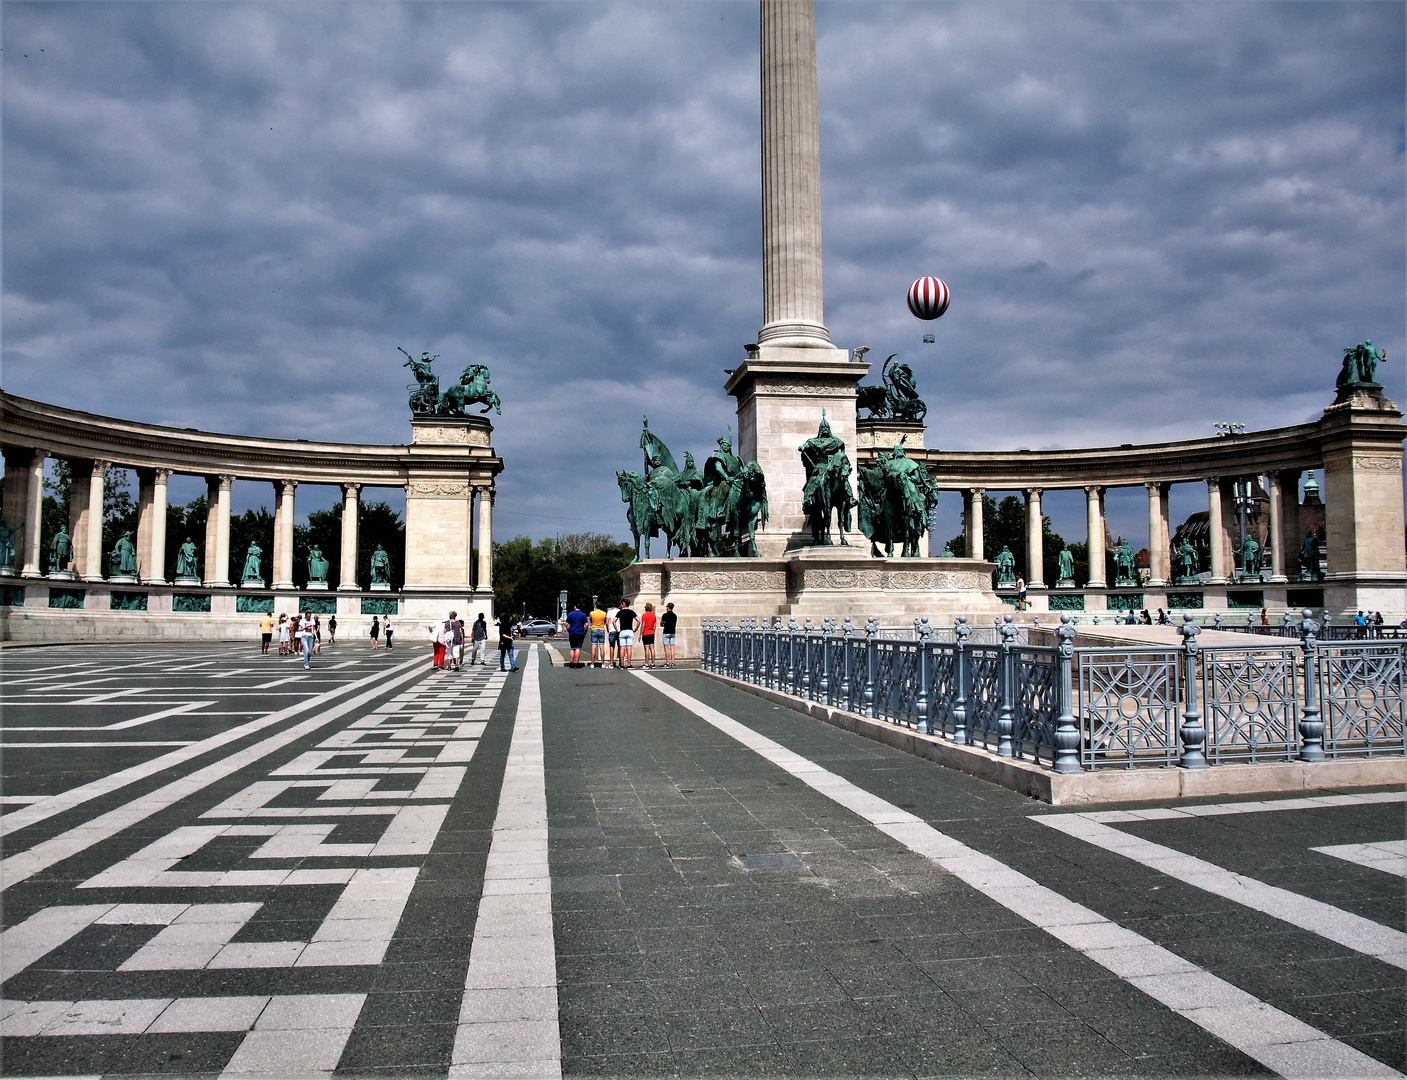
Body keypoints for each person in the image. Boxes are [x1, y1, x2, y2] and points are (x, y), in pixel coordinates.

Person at [565, 603, 589, 668]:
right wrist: (585, 631)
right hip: (580, 632)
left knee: (572, 648)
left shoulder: (570, 614)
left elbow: (566, 624)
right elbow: (586, 625)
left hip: (572, 632)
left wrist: (569, 630)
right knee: (578, 648)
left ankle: (571, 662)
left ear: (575, 607)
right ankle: (576, 663)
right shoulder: (583, 614)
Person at [616, 598, 638, 668]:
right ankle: (629, 664)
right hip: (629, 630)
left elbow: (614, 621)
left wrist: (617, 629)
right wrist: (636, 629)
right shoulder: (632, 612)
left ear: (623, 604)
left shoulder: (620, 612)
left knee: (622, 648)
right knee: (629, 648)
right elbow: (639, 620)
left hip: (622, 631)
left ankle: (622, 664)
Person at [588, 601, 608, 667]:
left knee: (593, 647)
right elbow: (605, 621)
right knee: (602, 647)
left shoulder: (592, 613)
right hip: (601, 629)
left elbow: (591, 621)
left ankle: (592, 663)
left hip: (594, 629)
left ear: (595, 606)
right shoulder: (604, 613)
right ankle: (603, 663)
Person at [640, 602, 658, 669]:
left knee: (646, 648)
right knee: (652, 648)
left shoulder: (644, 615)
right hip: (651, 632)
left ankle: (647, 663)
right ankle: (653, 663)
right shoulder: (653, 615)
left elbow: (643, 625)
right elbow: (655, 624)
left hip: (646, 632)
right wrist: (653, 630)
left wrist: (640, 634)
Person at [661, 602, 678, 668]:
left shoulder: (665, 615)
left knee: (666, 647)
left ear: (668, 607)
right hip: (673, 631)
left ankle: (667, 662)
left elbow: (661, 623)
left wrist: (664, 624)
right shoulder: (675, 615)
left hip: (666, 631)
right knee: (672, 647)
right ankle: (673, 662)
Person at [606, 603, 621, 668]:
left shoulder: (610, 612)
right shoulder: (620, 612)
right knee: (620, 647)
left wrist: (608, 630)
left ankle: (611, 663)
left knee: (612, 646)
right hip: (619, 630)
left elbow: (607, 622)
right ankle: (621, 663)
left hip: (612, 630)